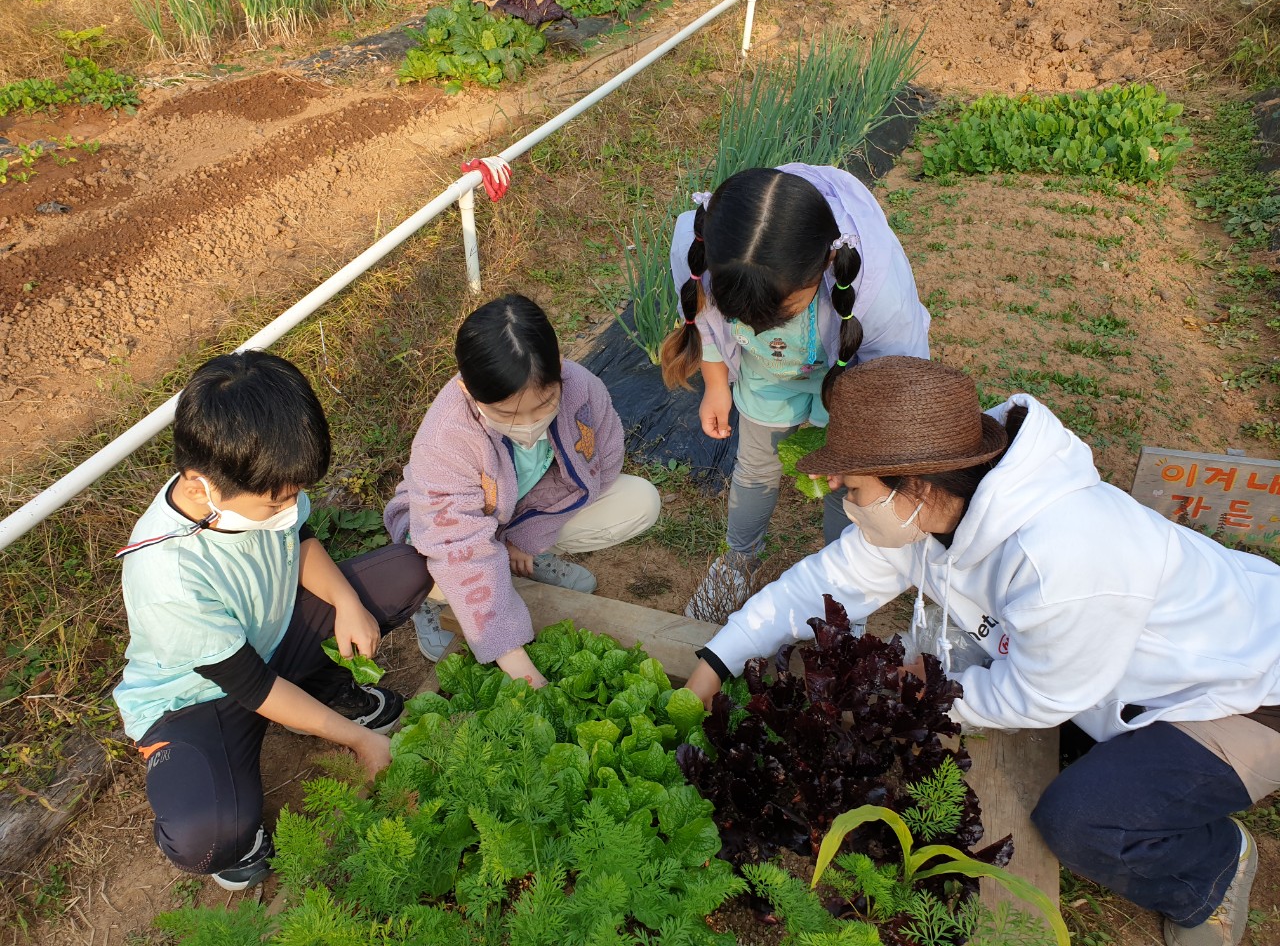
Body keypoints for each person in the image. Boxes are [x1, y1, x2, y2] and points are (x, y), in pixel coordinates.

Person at [685, 355, 1280, 946]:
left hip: (1241, 695)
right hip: (1110, 668)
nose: (840, 492)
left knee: (1081, 821)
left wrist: (930, 688)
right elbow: (819, 585)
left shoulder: (1061, 560)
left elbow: (1040, 695)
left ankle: (1212, 868)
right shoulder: (938, 502)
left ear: (914, 484)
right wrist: (716, 662)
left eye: (853, 483)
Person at [113, 351, 430, 891]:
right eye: (276, 503)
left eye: (296, 495)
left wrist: (347, 603)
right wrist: (358, 741)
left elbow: (300, 539)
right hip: (199, 697)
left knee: (405, 571)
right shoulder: (167, 576)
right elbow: (252, 685)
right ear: (199, 487)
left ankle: (324, 688)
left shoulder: (256, 485)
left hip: (274, 633)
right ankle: (225, 779)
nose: (291, 508)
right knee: (208, 839)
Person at [662, 164, 931, 620]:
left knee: (844, 481)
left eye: (778, 311)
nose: (756, 324)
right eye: (743, 315)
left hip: (847, 377)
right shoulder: (701, 245)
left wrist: (859, 449)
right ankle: (738, 561)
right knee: (755, 467)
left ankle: (844, 576)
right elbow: (705, 321)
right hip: (765, 373)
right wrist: (715, 385)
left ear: (825, 265)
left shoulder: (878, 287)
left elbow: (894, 379)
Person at [385, 294, 661, 685]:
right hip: (442, 532)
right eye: (507, 415)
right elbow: (456, 546)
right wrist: (514, 659)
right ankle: (429, 603)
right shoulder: (445, 437)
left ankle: (523, 561)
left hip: (518, 514)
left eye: (545, 403)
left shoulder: (583, 390)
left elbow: (602, 464)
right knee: (438, 574)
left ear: (560, 371)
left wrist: (528, 538)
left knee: (640, 500)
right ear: (469, 392)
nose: (530, 424)